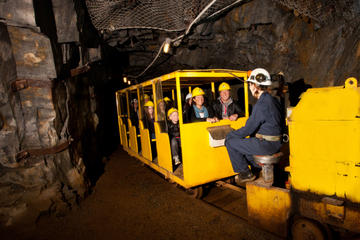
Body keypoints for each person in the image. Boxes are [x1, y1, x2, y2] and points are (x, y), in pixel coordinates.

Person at [225, 68, 282, 183]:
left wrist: (231, 134)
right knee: (244, 149)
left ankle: (245, 174)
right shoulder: (273, 100)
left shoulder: (262, 104)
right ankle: (259, 170)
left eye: (250, 84)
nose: (250, 87)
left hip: (267, 144)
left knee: (230, 143)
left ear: (255, 85)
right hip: (276, 142)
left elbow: (248, 129)